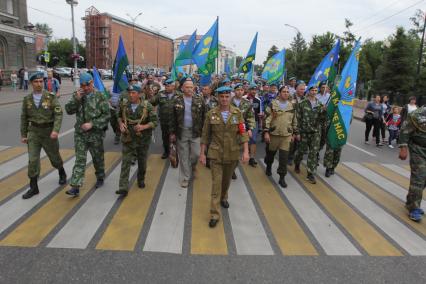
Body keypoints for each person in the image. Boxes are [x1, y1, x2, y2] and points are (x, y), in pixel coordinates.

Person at [199, 86, 249, 228]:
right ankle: (215, 213)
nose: (224, 99)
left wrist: (246, 151)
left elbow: (243, 133)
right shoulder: (211, 114)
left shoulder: (237, 113)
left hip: (232, 153)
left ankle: (224, 196)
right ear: (217, 98)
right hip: (215, 153)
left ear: (230, 97)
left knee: (226, 182)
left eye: (227, 97)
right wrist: (202, 153)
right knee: (216, 184)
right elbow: (205, 135)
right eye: (222, 97)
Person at [20, 72, 66, 199]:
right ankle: (33, 187)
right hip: (33, 132)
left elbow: (58, 114)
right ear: (31, 83)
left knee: (54, 157)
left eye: (41, 81)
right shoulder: (27, 99)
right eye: (36, 82)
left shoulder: (50, 97)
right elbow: (24, 117)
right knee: (33, 159)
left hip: (48, 132)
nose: (39, 84)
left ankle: (61, 171)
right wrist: (24, 134)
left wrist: (56, 130)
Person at [64, 73, 111, 197]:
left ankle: (100, 176)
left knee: (97, 158)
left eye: (87, 85)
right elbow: (68, 110)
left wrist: (92, 124)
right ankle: (75, 185)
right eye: (82, 85)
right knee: (80, 159)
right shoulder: (78, 95)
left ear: (92, 83)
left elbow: (107, 115)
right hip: (80, 134)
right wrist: (76, 100)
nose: (85, 88)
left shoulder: (100, 96)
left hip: (95, 134)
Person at [116, 84, 157, 197]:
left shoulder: (146, 106)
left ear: (139, 94)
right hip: (128, 138)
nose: (131, 95)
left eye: (133, 93)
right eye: (129, 93)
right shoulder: (124, 104)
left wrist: (143, 127)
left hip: (142, 139)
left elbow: (155, 122)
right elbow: (118, 115)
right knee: (125, 162)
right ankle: (123, 187)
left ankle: (141, 179)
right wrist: (121, 124)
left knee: (142, 162)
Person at [170, 77, 206, 188]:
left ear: (194, 88)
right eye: (187, 87)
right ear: (182, 88)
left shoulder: (199, 99)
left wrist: (204, 132)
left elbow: (204, 117)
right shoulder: (176, 100)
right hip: (182, 131)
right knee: (183, 156)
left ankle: (193, 166)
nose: (190, 89)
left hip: (196, 132)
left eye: (191, 87)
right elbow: (172, 117)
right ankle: (185, 177)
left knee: (195, 154)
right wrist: (172, 133)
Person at [263, 85, 298, 187]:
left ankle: (282, 177)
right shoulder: (273, 104)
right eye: (284, 91)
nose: (286, 93)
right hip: (273, 135)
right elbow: (266, 118)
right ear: (279, 93)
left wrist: (294, 133)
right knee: (270, 154)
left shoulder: (292, 106)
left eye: (287, 92)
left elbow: (294, 120)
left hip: (286, 135)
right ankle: (268, 166)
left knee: (284, 158)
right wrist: (266, 132)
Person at [398, 106, 426, 222]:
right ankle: (414, 208)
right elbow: (405, 130)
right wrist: (403, 148)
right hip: (418, 150)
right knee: (419, 177)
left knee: (424, 180)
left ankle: (411, 200)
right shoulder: (417, 114)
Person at [293, 85, 326, 184]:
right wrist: (297, 132)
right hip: (304, 131)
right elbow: (297, 118)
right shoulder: (302, 103)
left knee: (313, 153)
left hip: (316, 132)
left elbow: (322, 120)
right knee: (301, 151)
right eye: (312, 90)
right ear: (309, 91)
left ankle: (310, 174)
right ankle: (297, 164)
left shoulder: (320, 104)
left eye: (316, 90)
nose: (314, 92)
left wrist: (324, 112)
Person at [149, 78, 176, 159]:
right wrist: (152, 96)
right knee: (165, 137)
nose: (167, 87)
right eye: (166, 86)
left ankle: (176, 152)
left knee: (176, 137)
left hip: (176, 121)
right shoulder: (160, 94)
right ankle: (166, 152)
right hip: (164, 121)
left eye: (169, 86)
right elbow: (151, 102)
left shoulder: (179, 95)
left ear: (173, 86)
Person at [232, 83, 255, 171]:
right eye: (237, 90)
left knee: (237, 150)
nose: (240, 92)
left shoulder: (247, 103)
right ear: (234, 91)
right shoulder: (229, 101)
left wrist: (250, 129)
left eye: (241, 90)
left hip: (242, 129)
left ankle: (233, 167)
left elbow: (250, 117)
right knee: (231, 150)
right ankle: (232, 168)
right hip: (230, 130)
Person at [288, 80, 306, 165]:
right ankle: (290, 156)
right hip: (291, 123)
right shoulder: (290, 97)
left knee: (299, 143)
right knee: (292, 142)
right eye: (301, 89)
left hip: (301, 124)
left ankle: (296, 157)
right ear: (296, 89)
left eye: (304, 89)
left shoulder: (305, 99)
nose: (303, 91)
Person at [246, 83, 262, 167]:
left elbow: (260, 113)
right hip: (245, 122)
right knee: (243, 140)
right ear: (249, 90)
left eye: (255, 90)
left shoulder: (258, 100)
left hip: (254, 122)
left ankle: (252, 158)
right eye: (252, 89)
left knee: (253, 140)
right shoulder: (244, 99)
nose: (254, 91)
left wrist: (260, 124)